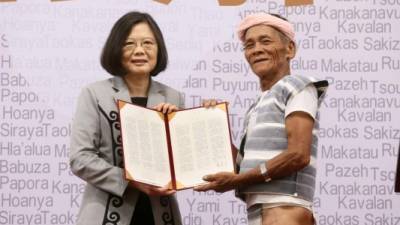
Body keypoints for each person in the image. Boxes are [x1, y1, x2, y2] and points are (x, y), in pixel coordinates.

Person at [195, 13, 328, 225]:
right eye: (249, 45)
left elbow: (298, 155)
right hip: (260, 212)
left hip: (285, 210)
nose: (256, 49)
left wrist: (237, 181)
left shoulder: (299, 86)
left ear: (290, 49)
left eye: (265, 41)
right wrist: (212, 127)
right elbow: (243, 167)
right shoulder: (257, 105)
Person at [70, 11, 183, 225]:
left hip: (161, 215)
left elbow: (183, 163)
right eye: (129, 44)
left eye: (148, 43)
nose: (139, 50)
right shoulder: (94, 94)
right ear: (116, 49)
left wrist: (197, 119)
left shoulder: (173, 97)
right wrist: (130, 180)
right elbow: (80, 158)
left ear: (159, 49)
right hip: (106, 215)